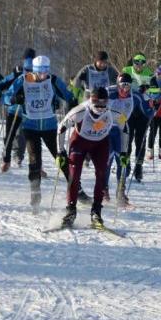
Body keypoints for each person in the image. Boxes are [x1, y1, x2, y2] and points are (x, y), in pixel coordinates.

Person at [2, 55, 76, 208]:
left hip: (50, 126)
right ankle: (35, 193)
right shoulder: (23, 80)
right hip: (30, 127)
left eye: (45, 72)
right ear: (34, 71)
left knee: (61, 156)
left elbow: (68, 95)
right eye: (39, 73)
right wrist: (15, 99)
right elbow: (6, 97)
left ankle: (76, 187)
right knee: (35, 159)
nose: (43, 76)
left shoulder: (53, 80)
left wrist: (72, 101)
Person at [55, 86, 119, 230]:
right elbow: (61, 127)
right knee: (74, 175)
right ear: (91, 101)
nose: (101, 109)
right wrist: (60, 151)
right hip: (79, 143)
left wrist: (126, 152)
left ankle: (96, 212)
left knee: (102, 175)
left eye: (104, 105)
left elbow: (124, 125)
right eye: (98, 106)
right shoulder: (81, 111)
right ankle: (71, 210)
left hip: (100, 144)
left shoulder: (111, 112)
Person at [105, 73, 140, 206]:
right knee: (107, 161)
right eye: (122, 85)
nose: (124, 89)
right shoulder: (109, 91)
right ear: (118, 84)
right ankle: (104, 189)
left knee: (122, 160)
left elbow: (124, 118)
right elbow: (95, 103)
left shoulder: (132, 97)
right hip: (106, 130)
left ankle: (120, 192)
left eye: (128, 86)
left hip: (121, 131)